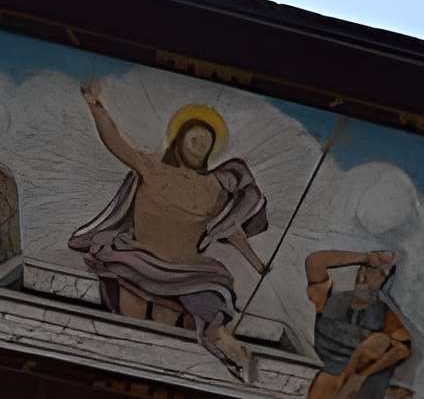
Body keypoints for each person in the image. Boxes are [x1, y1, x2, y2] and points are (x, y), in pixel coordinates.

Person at [68, 86, 274, 383]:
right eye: (195, 137)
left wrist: (257, 263)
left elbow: (235, 225)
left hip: (188, 271)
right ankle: (123, 378)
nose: (201, 143)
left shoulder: (214, 188)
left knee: (188, 324)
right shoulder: (152, 167)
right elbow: (116, 142)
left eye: (207, 141)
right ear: (179, 139)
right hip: (137, 259)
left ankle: (231, 361)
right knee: (132, 322)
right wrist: (96, 106)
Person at [301, 248, 417, 399]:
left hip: (349, 388)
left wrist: (363, 374)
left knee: (380, 341)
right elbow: (315, 261)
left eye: (375, 273)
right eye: (362, 270)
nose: (364, 276)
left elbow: (401, 349)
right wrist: (365, 258)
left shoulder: (385, 314)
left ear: (384, 282)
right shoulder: (330, 301)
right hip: (330, 389)